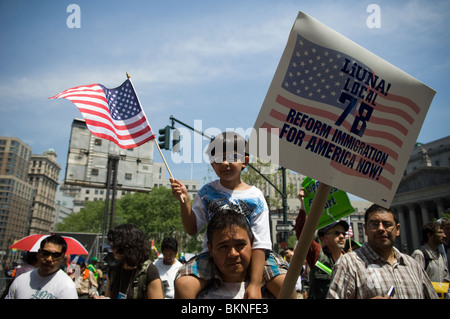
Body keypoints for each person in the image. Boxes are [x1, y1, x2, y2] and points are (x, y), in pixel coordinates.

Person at [171, 132, 290, 299]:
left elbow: (261, 241)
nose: (225, 163)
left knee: (286, 287)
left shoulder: (256, 196)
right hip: (213, 256)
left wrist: (255, 284)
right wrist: (184, 202)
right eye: (219, 158)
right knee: (184, 285)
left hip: (254, 255)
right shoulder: (206, 192)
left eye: (232, 156)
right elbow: (192, 229)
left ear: (245, 161)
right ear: (212, 164)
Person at [327, 204, 437, 299]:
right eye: (374, 224)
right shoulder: (349, 264)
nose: (381, 228)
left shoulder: (412, 265)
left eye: (387, 224)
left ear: (397, 229)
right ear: (365, 229)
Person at [197, 207, 292, 298]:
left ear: (252, 243)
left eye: (240, 245)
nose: (233, 253)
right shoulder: (195, 291)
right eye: (224, 247)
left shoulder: (277, 288)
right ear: (210, 249)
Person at [294, 189, 348, 299]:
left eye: (343, 233)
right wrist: (303, 204)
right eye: (337, 233)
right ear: (324, 238)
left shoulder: (350, 259)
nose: (342, 236)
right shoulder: (318, 253)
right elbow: (303, 234)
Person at [5, 234, 78, 299]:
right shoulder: (20, 280)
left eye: (55, 255)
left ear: (62, 258)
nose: (49, 259)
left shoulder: (67, 286)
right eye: (45, 253)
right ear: (38, 253)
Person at [102, 223, 163, 299]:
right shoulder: (113, 272)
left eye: (115, 245)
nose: (111, 248)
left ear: (127, 246)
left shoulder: (149, 272)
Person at [411, 221, 449, 296]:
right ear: (430, 235)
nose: (444, 235)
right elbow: (415, 280)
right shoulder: (419, 254)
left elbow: (446, 277)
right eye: (440, 232)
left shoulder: (441, 255)